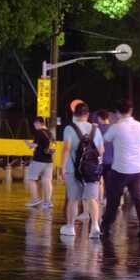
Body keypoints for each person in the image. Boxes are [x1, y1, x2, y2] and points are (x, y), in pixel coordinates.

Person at [101, 99, 140, 238]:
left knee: (113, 200)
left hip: (120, 170)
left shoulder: (116, 127)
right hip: (137, 169)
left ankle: (106, 226)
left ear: (117, 113)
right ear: (131, 111)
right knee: (139, 199)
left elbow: (106, 139)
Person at [60, 102, 104, 238]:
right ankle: (95, 226)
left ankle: (70, 227)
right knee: (92, 198)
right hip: (91, 169)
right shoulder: (95, 129)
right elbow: (101, 150)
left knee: (73, 199)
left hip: (72, 169)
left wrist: (62, 167)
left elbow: (66, 148)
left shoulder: (69, 128)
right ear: (87, 115)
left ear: (74, 114)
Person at [24, 117, 54, 209]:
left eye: (34, 124)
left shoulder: (39, 132)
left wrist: (28, 144)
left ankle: (35, 199)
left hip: (39, 160)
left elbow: (34, 145)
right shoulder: (50, 133)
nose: (34, 126)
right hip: (49, 160)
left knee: (31, 179)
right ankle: (47, 202)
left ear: (38, 123)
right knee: (47, 180)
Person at [97, 110, 113, 205]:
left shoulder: (97, 129)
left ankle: (100, 199)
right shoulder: (114, 128)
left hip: (100, 160)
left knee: (99, 182)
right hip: (112, 161)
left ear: (99, 118)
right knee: (110, 182)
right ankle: (109, 199)